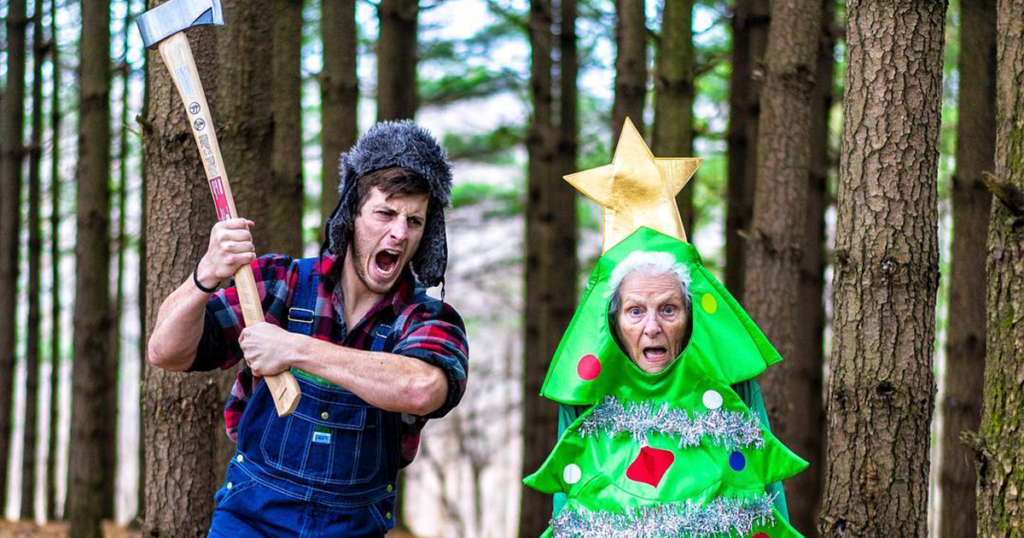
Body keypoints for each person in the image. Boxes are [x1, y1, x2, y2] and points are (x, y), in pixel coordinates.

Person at [147, 121, 469, 538]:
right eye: (385, 213)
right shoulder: (279, 283)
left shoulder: (427, 319)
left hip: (351, 530)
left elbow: (421, 389)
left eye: (415, 221)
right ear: (352, 214)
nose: (399, 233)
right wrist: (205, 275)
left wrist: (294, 349)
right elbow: (166, 352)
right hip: (249, 522)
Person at [553, 250, 790, 520]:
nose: (652, 327)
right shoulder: (585, 399)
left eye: (668, 309)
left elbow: (767, 494)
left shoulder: (731, 390)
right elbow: (567, 509)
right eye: (635, 311)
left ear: (689, 319)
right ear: (615, 323)